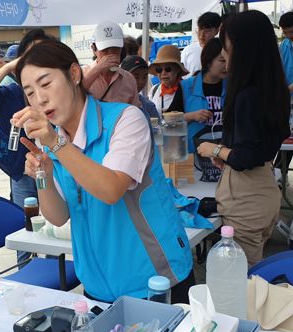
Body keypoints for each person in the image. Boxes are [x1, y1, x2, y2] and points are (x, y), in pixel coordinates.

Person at [14, 39, 194, 303]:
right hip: (97, 287)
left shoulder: (125, 119)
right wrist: (44, 176)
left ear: (74, 74)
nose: (39, 99)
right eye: (30, 92)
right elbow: (58, 216)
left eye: (46, 83)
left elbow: (110, 189)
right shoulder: (56, 140)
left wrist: (56, 143)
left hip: (155, 282)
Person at [196, 10, 289, 265]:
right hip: (265, 191)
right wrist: (228, 153)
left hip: (246, 201)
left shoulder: (247, 95)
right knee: (250, 274)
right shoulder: (273, 87)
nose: (224, 55)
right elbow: (262, 146)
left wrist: (213, 150)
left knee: (239, 283)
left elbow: (245, 157)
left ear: (240, 47)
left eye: (225, 46)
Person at [0, 29, 52, 266]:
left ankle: (52, 267)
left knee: (52, 223)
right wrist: (7, 68)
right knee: (25, 223)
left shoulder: (57, 92)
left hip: (54, 168)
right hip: (22, 170)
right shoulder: (14, 93)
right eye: (31, 54)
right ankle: (26, 271)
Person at [182, 38, 227, 153]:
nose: (227, 65)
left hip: (224, 155)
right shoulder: (186, 86)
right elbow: (170, 120)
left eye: (229, 60)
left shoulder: (232, 87)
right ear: (208, 61)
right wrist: (192, 116)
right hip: (194, 157)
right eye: (222, 60)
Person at [82, 22, 140, 106]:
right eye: (105, 49)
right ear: (94, 49)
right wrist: (98, 69)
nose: (111, 53)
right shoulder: (81, 74)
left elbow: (135, 110)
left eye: (115, 48)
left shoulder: (128, 79)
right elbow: (72, 99)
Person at [148, 45, 189, 114]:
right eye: (159, 69)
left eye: (168, 69)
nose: (163, 73)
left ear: (178, 69)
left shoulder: (187, 90)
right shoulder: (154, 90)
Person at [181, 12, 222, 78]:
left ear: (217, 31)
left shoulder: (222, 51)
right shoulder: (187, 50)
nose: (202, 35)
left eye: (207, 30)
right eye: (200, 29)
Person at [120, 55, 159, 123]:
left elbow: (157, 130)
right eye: (136, 76)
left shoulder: (149, 107)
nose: (141, 82)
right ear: (122, 76)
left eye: (144, 77)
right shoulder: (109, 102)